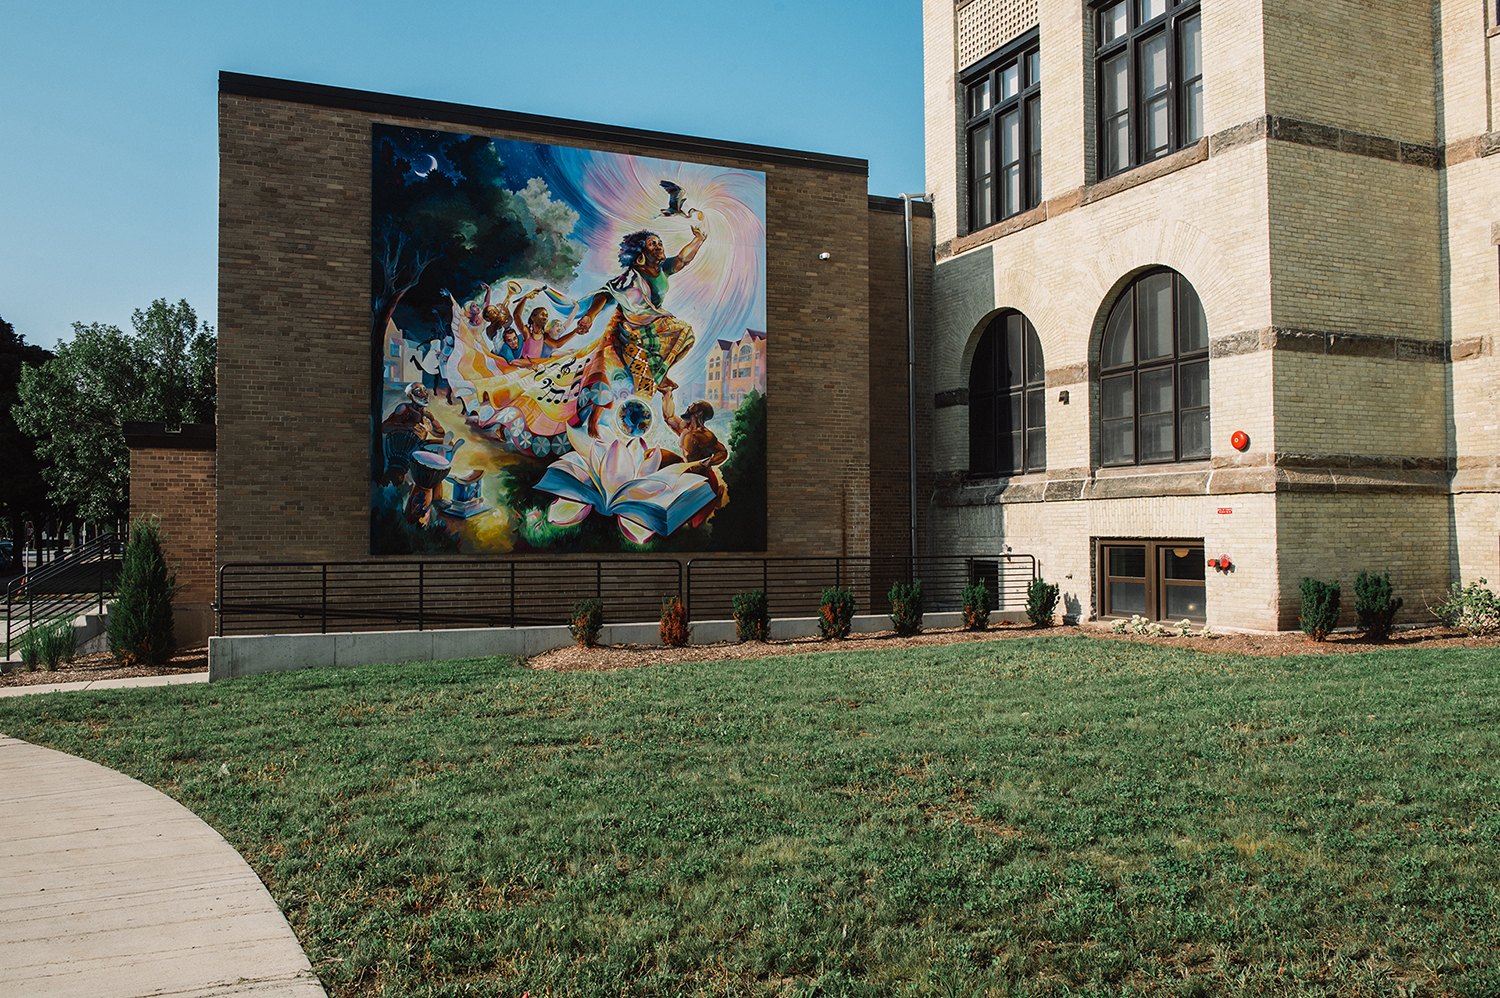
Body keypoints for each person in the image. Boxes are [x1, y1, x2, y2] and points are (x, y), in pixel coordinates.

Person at [569, 224, 707, 433]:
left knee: (685, 334)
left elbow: (682, 260)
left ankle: (660, 375)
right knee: (607, 373)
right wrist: (590, 315)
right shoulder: (629, 277)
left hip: (652, 324)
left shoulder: (661, 268)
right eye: (653, 244)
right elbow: (605, 294)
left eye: (659, 243)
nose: (659, 247)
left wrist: (699, 239)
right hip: (627, 329)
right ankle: (592, 424)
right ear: (641, 254)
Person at [659, 388, 729, 525]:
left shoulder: (704, 435)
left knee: (692, 522)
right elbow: (669, 417)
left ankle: (716, 495)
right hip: (686, 470)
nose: (691, 404)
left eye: (696, 404)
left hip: (702, 478)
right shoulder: (685, 428)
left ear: (700, 412)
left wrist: (708, 463)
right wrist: (667, 394)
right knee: (658, 456)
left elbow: (723, 452)